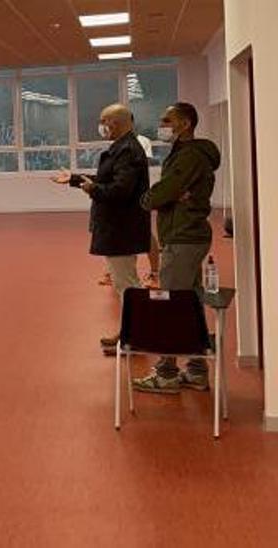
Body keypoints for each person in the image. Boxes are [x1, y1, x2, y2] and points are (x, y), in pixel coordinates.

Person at [133, 102, 221, 394]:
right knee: (189, 303)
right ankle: (197, 370)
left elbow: (163, 192)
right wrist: (171, 194)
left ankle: (166, 373)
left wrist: (152, 198)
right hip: (186, 235)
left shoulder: (190, 156)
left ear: (185, 124)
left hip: (182, 237)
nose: (162, 125)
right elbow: (172, 190)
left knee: (169, 305)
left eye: (167, 120)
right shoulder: (185, 154)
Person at [52, 104, 151, 354]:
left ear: (116, 123)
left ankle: (136, 335)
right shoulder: (121, 149)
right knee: (123, 283)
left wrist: (92, 190)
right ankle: (131, 331)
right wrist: (76, 180)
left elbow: (119, 190)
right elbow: (109, 180)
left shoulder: (128, 151)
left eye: (103, 121)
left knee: (126, 284)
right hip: (117, 227)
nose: (101, 126)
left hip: (121, 228)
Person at [136, 133, 161, 286]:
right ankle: (113, 271)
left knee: (145, 233)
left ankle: (155, 272)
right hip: (120, 200)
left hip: (138, 197)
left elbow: (143, 164)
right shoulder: (115, 143)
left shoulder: (142, 141)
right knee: (118, 233)